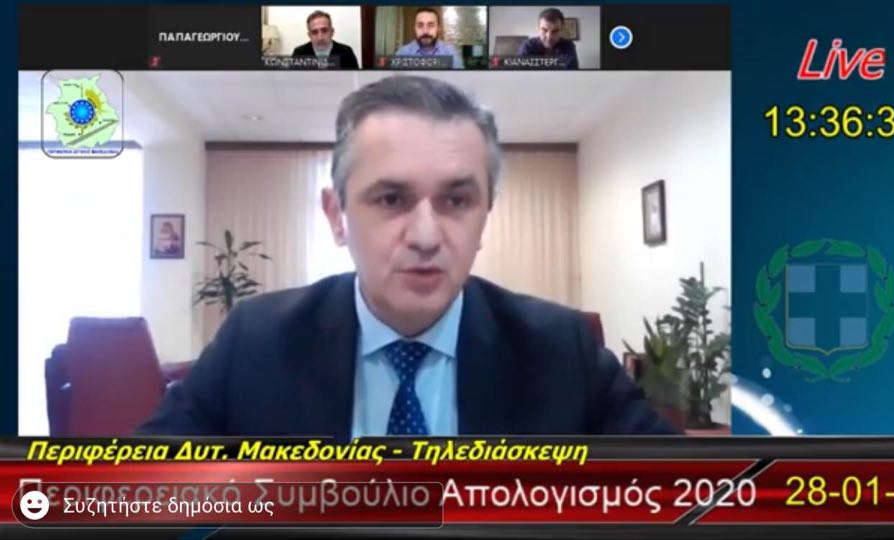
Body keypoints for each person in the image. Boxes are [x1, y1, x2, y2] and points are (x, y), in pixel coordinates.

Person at [138, 76, 675, 438]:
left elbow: (682, 496)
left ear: (485, 215)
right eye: (392, 199)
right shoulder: (256, 341)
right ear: (336, 216)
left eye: (456, 201)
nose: (425, 235)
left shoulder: (560, 349)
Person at [393, 8, 464, 69]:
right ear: (414, 28)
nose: (425, 31)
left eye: (431, 25)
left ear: (438, 29)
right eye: (420, 25)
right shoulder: (402, 53)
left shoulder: (450, 52)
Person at [291, 10, 359, 69]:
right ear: (309, 35)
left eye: (324, 30)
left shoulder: (346, 52)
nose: (320, 37)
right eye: (314, 32)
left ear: (332, 32)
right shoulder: (299, 53)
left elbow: (355, 78)